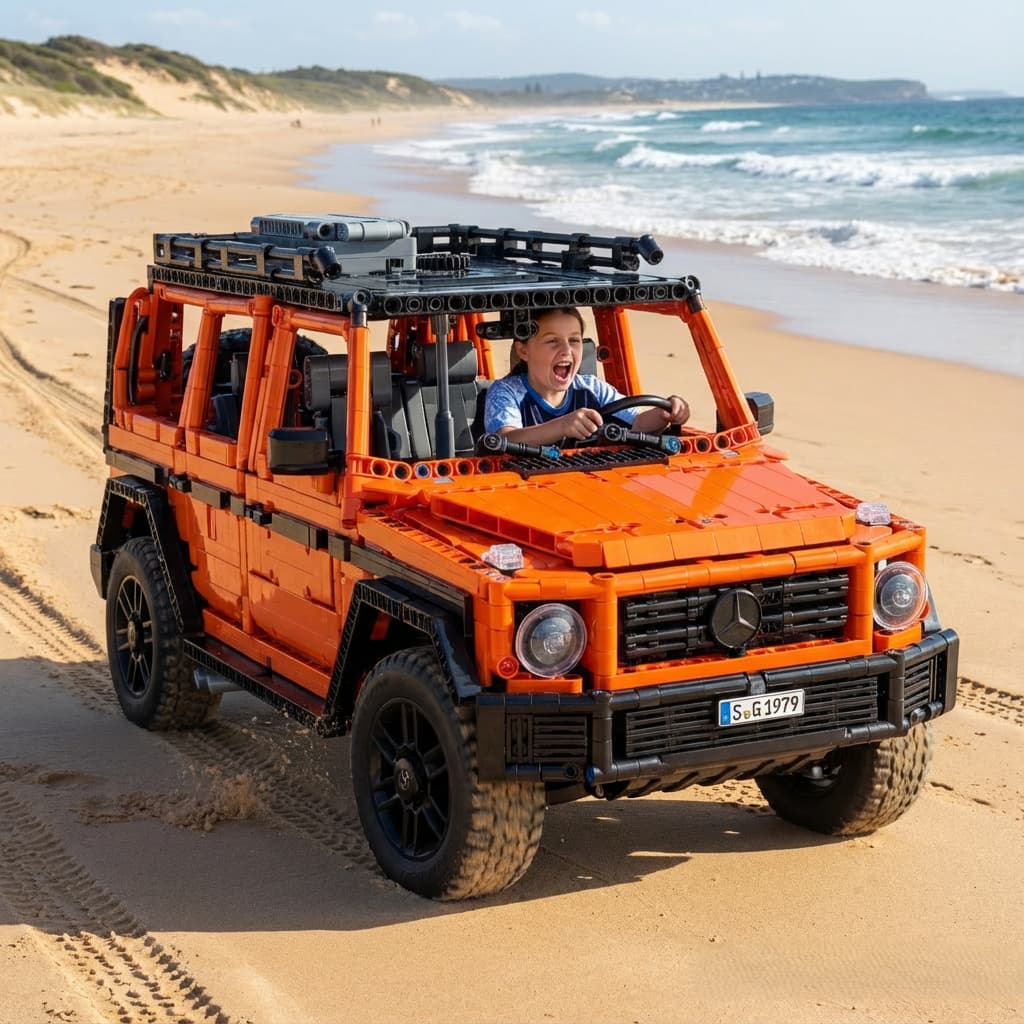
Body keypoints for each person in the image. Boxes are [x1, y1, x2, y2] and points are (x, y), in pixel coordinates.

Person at [483, 307, 689, 446]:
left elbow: (638, 424)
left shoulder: (592, 388)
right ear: (523, 351)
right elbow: (505, 440)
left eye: (574, 340)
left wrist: (665, 412)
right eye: (552, 341)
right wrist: (562, 426)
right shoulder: (506, 392)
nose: (566, 350)